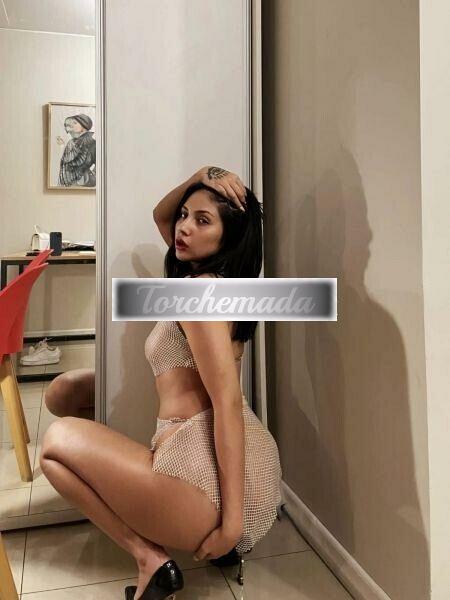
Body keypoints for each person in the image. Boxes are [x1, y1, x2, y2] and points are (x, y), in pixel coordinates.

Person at [39, 166, 282, 600]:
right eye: (185, 215)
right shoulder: (220, 286)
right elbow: (162, 215)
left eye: (202, 221)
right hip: (250, 473)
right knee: (67, 393)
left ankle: (148, 558)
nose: (183, 227)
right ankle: (210, 536)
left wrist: (231, 525)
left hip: (202, 483)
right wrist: (200, 176)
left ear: (229, 238)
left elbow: (226, 403)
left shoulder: (200, 295)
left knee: (54, 444)